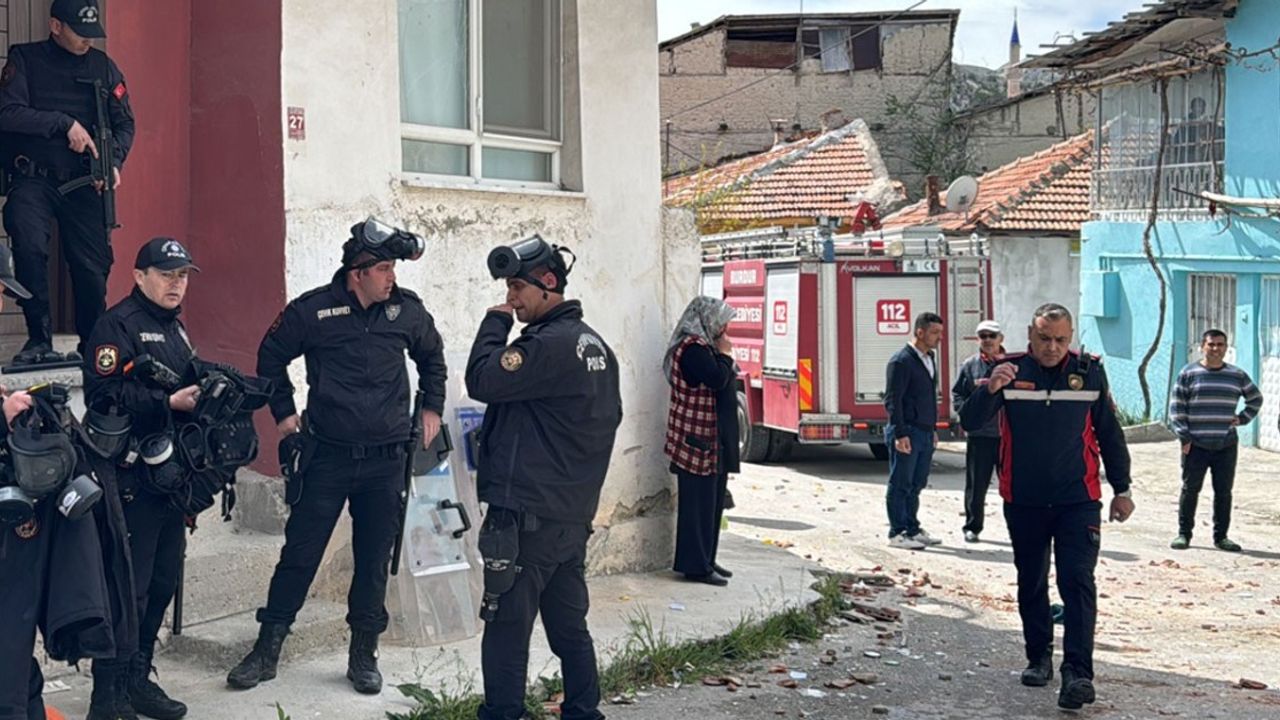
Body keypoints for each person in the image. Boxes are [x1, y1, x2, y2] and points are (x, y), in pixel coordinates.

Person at [228, 218, 446, 695]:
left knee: (372, 560)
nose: (392, 278)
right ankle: (267, 650)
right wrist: (285, 420)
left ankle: (363, 653)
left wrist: (432, 404)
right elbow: (270, 357)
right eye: (384, 269)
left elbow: (432, 355)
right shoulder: (314, 311)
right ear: (358, 272)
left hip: (387, 461)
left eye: (393, 268)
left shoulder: (405, 312)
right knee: (300, 556)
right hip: (327, 457)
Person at [466, 235, 621, 720]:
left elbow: (483, 380)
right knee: (569, 626)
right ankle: (582, 710)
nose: (511, 298)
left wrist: (494, 324)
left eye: (516, 287)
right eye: (508, 291)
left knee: (507, 626)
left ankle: (503, 714)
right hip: (569, 516)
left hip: (528, 517)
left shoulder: (546, 346)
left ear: (548, 283)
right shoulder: (595, 344)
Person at [961, 302, 1134, 712]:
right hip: (1024, 499)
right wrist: (988, 389)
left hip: (1079, 500)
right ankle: (1038, 657)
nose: (1052, 347)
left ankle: (1078, 673)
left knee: (1077, 581)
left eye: (1060, 339)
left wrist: (1122, 488)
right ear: (1029, 335)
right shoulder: (1011, 370)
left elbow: (1109, 433)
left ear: (1070, 337)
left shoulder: (1090, 371)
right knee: (1032, 581)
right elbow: (969, 423)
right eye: (1044, 339)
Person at [83, 237, 203, 720]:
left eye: (183, 275)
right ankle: (106, 694)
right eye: (166, 274)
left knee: (161, 580)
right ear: (139, 277)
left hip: (171, 478)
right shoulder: (117, 325)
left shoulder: (176, 329)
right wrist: (165, 404)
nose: (176, 284)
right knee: (125, 586)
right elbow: (102, 395)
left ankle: (138, 677)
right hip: (130, 476)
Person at [0, 0, 135, 365]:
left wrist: (114, 162)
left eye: (93, 34)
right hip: (34, 178)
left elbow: (124, 124)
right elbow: (8, 113)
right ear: (56, 26)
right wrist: (63, 124)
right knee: (28, 247)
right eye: (80, 33)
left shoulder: (103, 68)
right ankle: (39, 339)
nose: (87, 42)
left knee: (93, 268)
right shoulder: (25, 60)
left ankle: (90, 341)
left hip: (86, 182)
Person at [663, 297, 738, 586]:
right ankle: (695, 565)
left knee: (713, 503)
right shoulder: (693, 349)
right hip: (696, 440)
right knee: (698, 505)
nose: (725, 327)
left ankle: (707, 558)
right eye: (721, 321)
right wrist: (727, 355)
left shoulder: (706, 346)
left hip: (711, 438)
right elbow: (717, 378)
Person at [1168, 329, 1262, 552]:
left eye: (1220, 345)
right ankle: (1184, 534)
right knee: (1190, 489)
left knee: (1223, 492)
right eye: (1211, 345)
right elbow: (1176, 407)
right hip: (1196, 444)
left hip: (1225, 444)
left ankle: (1221, 537)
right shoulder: (1188, 373)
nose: (1216, 349)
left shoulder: (1236, 376)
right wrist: (1184, 435)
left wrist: (1242, 418)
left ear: (1226, 348)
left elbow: (1255, 399)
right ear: (1202, 346)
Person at [883, 312, 944, 550]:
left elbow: (927, 397)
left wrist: (932, 428)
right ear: (920, 332)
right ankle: (896, 532)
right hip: (907, 430)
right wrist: (899, 433)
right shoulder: (901, 361)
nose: (939, 338)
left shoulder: (929, 358)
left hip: (925, 431)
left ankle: (912, 528)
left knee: (917, 483)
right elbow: (893, 400)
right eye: (934, 333)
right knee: (900, 482)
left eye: (940, 332)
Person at [951, 319, 1005, 543]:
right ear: (978, 340)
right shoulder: (970, 366)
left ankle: (1020, 527)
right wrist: (966, 414)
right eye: (983, 336)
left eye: (992, 336)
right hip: (981, 436)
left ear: (1001, 339)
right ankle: (973, 526)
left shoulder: (1015, 365)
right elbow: (958, 395)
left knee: (1016, 484)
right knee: (976, 484)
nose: (988, 340)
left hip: (1009, 437)